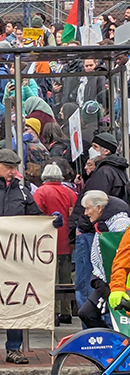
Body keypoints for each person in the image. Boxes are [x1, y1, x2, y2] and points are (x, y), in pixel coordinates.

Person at [0, 149, 61, 365]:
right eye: (9, 167)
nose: (13, 172)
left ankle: (14, 349)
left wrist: (50, 222)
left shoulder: (24, 192)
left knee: (15, 301)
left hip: (16, 259)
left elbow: (35, 218)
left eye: (15, 167)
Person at [69, 132, 130, 312]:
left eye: (95, 147)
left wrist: (81, 225)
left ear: (105, 151)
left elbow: (94, 205)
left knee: (86, 285)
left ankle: (94, 334)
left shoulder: (103, 172)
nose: (90, 150)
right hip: (98, 231)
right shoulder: (118, 171)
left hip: (91, 233)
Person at [33, 163, 78, 326]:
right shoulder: (70, 192)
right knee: (65, 277)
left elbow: (36, 215)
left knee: (51, 278)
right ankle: (67, 311)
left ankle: (55, 312)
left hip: (48, 241)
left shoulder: (41, 192)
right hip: (67, 241)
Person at [77, 191, 130, 328]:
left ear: (99, 208)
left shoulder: (120, 224)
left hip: (116, 282)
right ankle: (113, 345)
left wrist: (115, 287)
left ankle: (115, 345)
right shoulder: (105, 222)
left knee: (91, 314)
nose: (85, 213)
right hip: (107, 280)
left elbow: (121, 258)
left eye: (88, 208)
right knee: (87, 313)